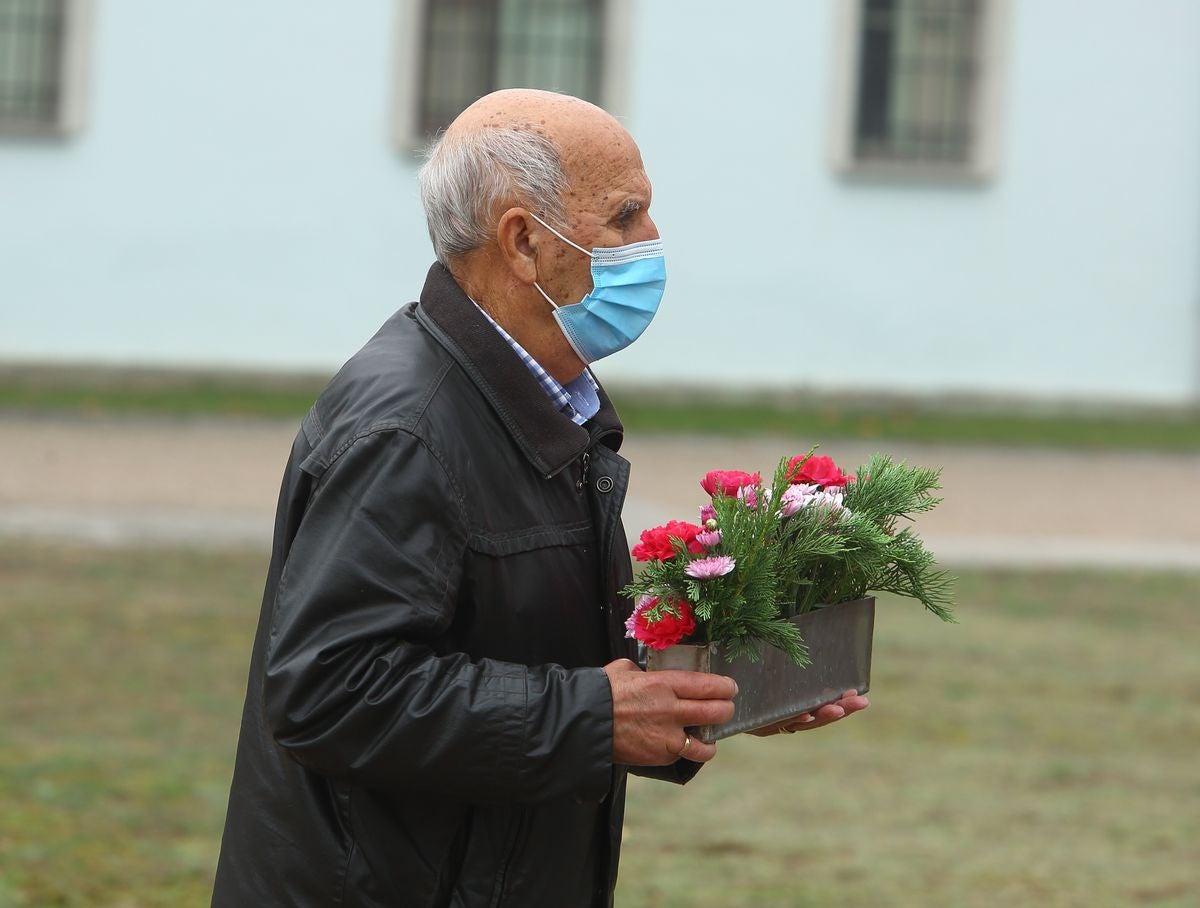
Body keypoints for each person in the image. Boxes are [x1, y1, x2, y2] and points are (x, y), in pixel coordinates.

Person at [210, 89, 867, 908]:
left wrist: (715, 691)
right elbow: (328, 691)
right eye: (626, 217)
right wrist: (594, 716)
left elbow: (534, 647)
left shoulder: (547, 402)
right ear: (524, 241)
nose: (653, 243)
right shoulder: (408, 428)